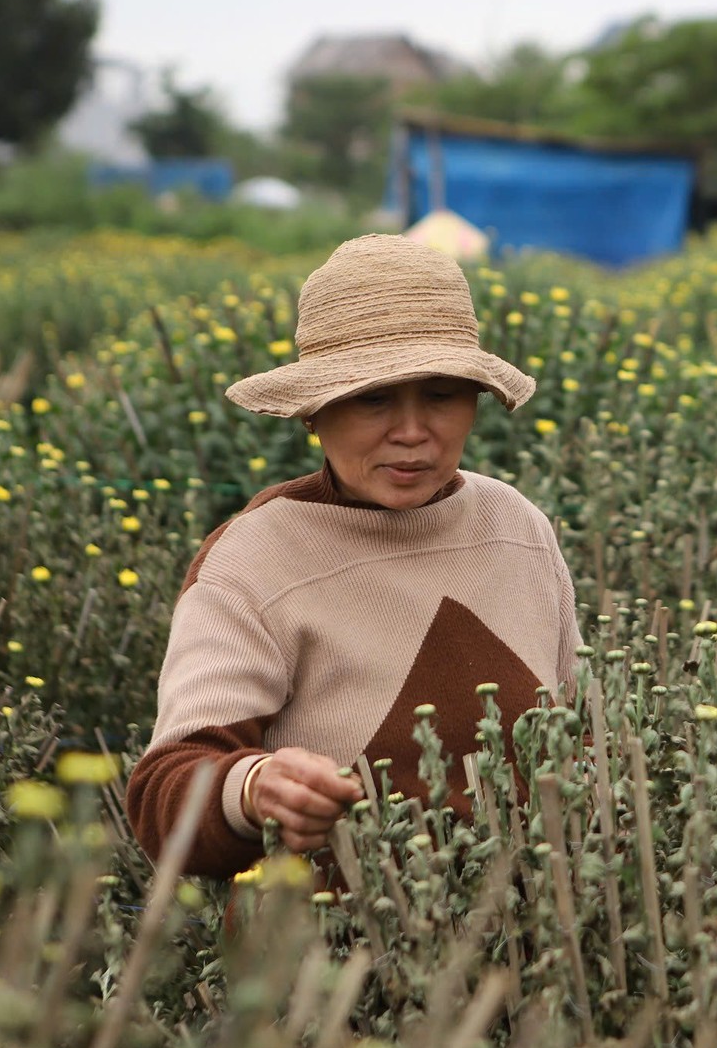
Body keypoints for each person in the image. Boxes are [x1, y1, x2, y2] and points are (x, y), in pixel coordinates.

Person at [125, 235, 583, 878]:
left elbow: (580, 733)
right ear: (313, 411)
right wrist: (254, 788)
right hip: (337, 958)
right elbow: (163, 799)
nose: (413, 430)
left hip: (529, 948)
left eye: (443, 395)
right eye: (374, 398)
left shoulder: (515, 526)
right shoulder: (256, 558)